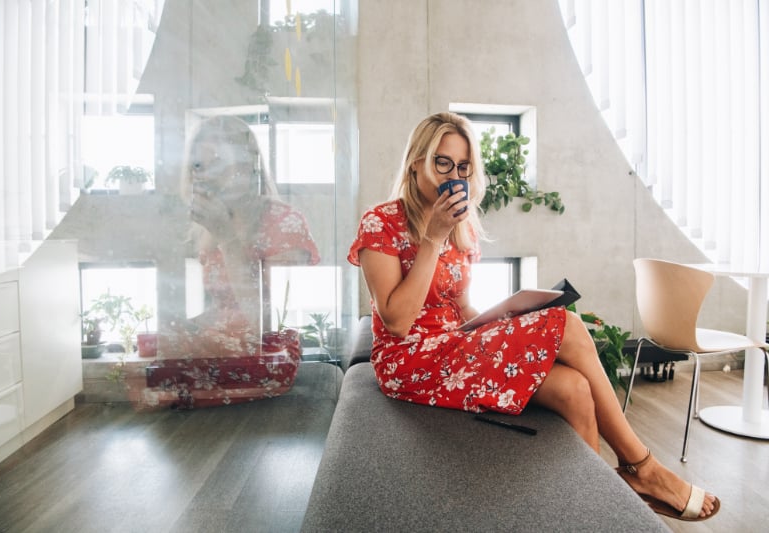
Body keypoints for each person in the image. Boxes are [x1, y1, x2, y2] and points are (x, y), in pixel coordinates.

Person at [347, 111, 719, 522]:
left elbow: (462, 308)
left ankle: (589, 515)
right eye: (443, 163)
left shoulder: (461, 226)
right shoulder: (381, 222)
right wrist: (432, 237)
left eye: (464, 167)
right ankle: (642, 466)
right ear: (416, 161)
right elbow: (396, 322)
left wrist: (507, 318)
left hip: (453, 348)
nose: (454, 175)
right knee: (569, 326)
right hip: (409, 361)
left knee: (574, 389)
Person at [134, 115, 320, 409]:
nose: (204, 176)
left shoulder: (282, 221)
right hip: (224, 350)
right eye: (198, 166)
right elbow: (222, 308)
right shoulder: (209, 227)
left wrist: (227, 238)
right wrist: (186, 329)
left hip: (262, 354)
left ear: (247, 167)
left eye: (217, 164)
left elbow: (269, 316)